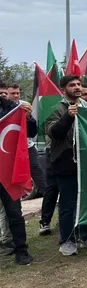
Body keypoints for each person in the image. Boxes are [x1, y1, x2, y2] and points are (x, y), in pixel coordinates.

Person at [46, 75, 87, 255]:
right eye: (73, 85)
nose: (77, 87)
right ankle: (67, 240)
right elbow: (54, 133)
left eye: (79, 84)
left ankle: (86, 236)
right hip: (66, 162)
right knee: (68, 204)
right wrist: (68, 117)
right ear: (64, 89)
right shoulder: (55, 108)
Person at [0, 93, 35, 265]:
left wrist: (27, 118)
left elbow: (31, 131)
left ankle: (21, 250)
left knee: (14, 213)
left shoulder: (11, 109)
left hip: (6, 172)